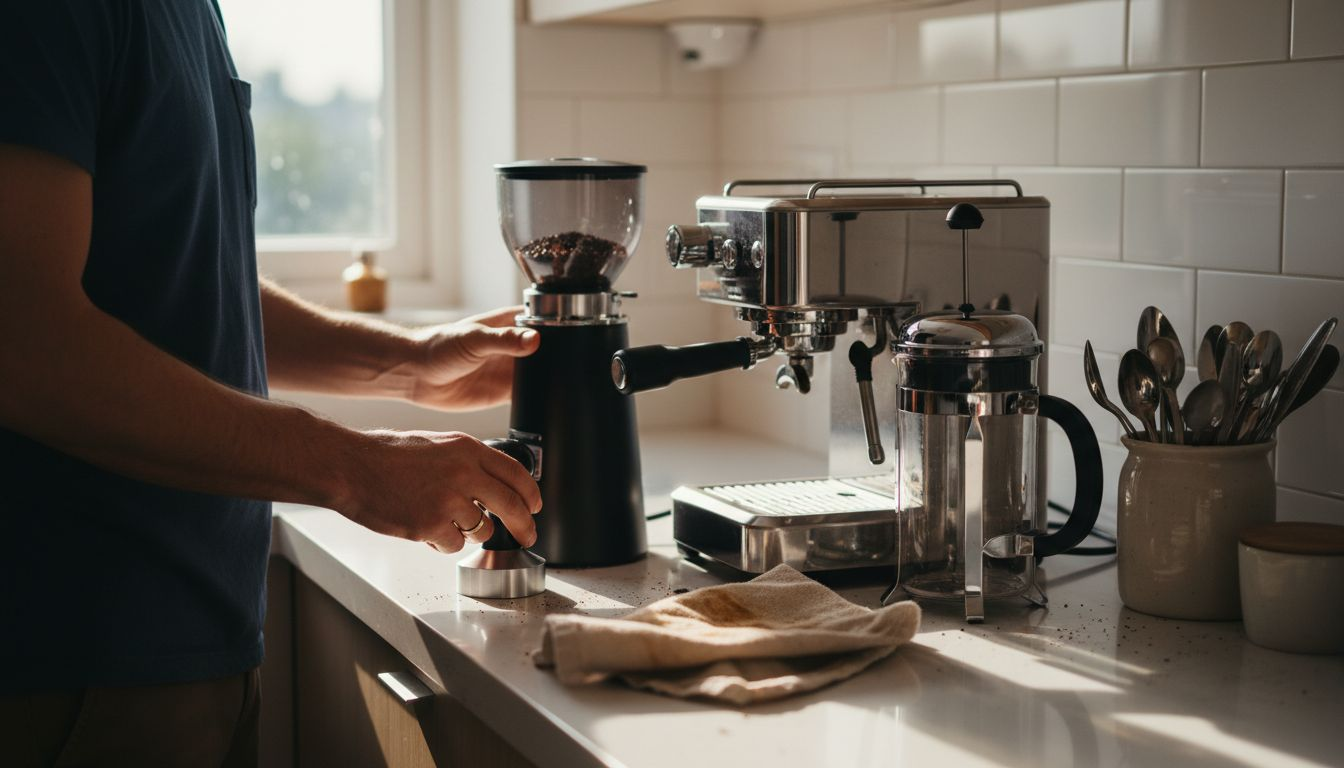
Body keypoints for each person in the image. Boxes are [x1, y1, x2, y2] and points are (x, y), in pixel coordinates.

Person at [0, 2, 540, 765]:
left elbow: (183, 275)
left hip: (198, 640)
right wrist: (355, 468)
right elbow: (26, 342)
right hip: (76, 662)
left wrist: (410, 363)